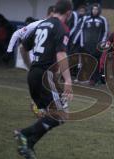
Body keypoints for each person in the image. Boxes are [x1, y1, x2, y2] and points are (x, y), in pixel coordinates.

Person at [13, 1, 73, 159]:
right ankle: (24, 135)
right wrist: (68, 80)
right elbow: (61, 54)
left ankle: (29, 145)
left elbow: (22, 48)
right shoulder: (61, 28)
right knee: (60, 114)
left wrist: (30, 67)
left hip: (34, 74)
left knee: (55, 115)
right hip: (46, 76)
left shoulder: (41, 24)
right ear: (68, 13)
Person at [77, 3, 108, 85]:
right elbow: (81, 31)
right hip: (87, 45)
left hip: (97, 45)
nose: (95, 11)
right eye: (93, 9)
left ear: (99, 10)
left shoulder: (102, 19)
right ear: (91, 10)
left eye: (96, 9)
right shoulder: (86, 19)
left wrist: (102, 43)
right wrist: (82, 42)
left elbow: (105, 32)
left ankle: (94, 80)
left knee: (96, 62)